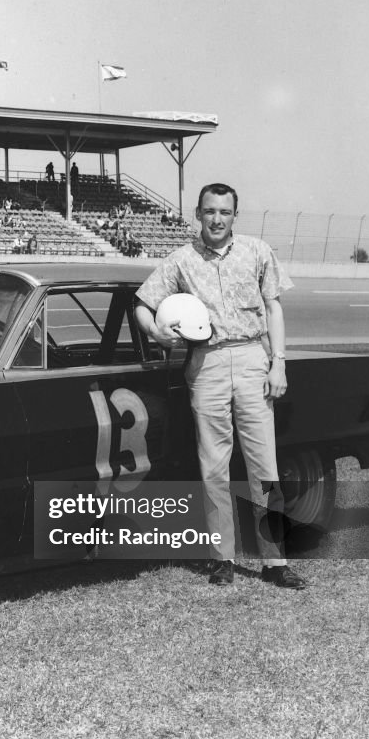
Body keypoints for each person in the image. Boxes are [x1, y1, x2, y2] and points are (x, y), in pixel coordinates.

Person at [133, 182, 305, 590]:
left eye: (224, 212)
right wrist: (159, 335)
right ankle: (221, 559)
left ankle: (275, 562)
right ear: (198, 213)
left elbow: (273, 306)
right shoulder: (180, 260)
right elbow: (143, 303)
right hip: (205, 363)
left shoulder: (257, 251)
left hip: (251, 358)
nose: (217, 219)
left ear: (234, 216)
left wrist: (278, 363)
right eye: (209, 211)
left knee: (264, 465)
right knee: (213, 466)